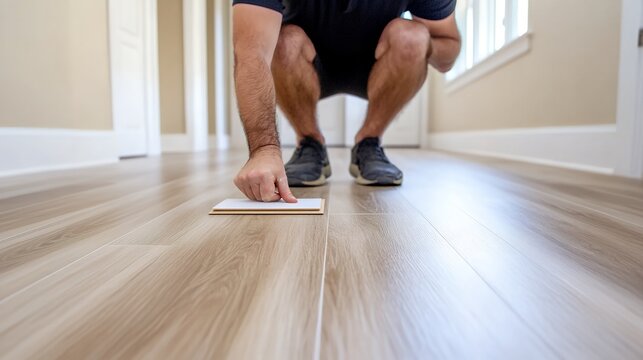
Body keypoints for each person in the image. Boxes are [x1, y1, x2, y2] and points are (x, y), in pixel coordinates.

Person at [232, 0, 461, 203]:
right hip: (302, 65)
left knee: (413, 36)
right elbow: (253, 53)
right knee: (282, 41)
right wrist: (264, 150)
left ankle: (369, 142)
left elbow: (447, 52)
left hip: (381, 67)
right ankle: (310, 143)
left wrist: (421, 45)